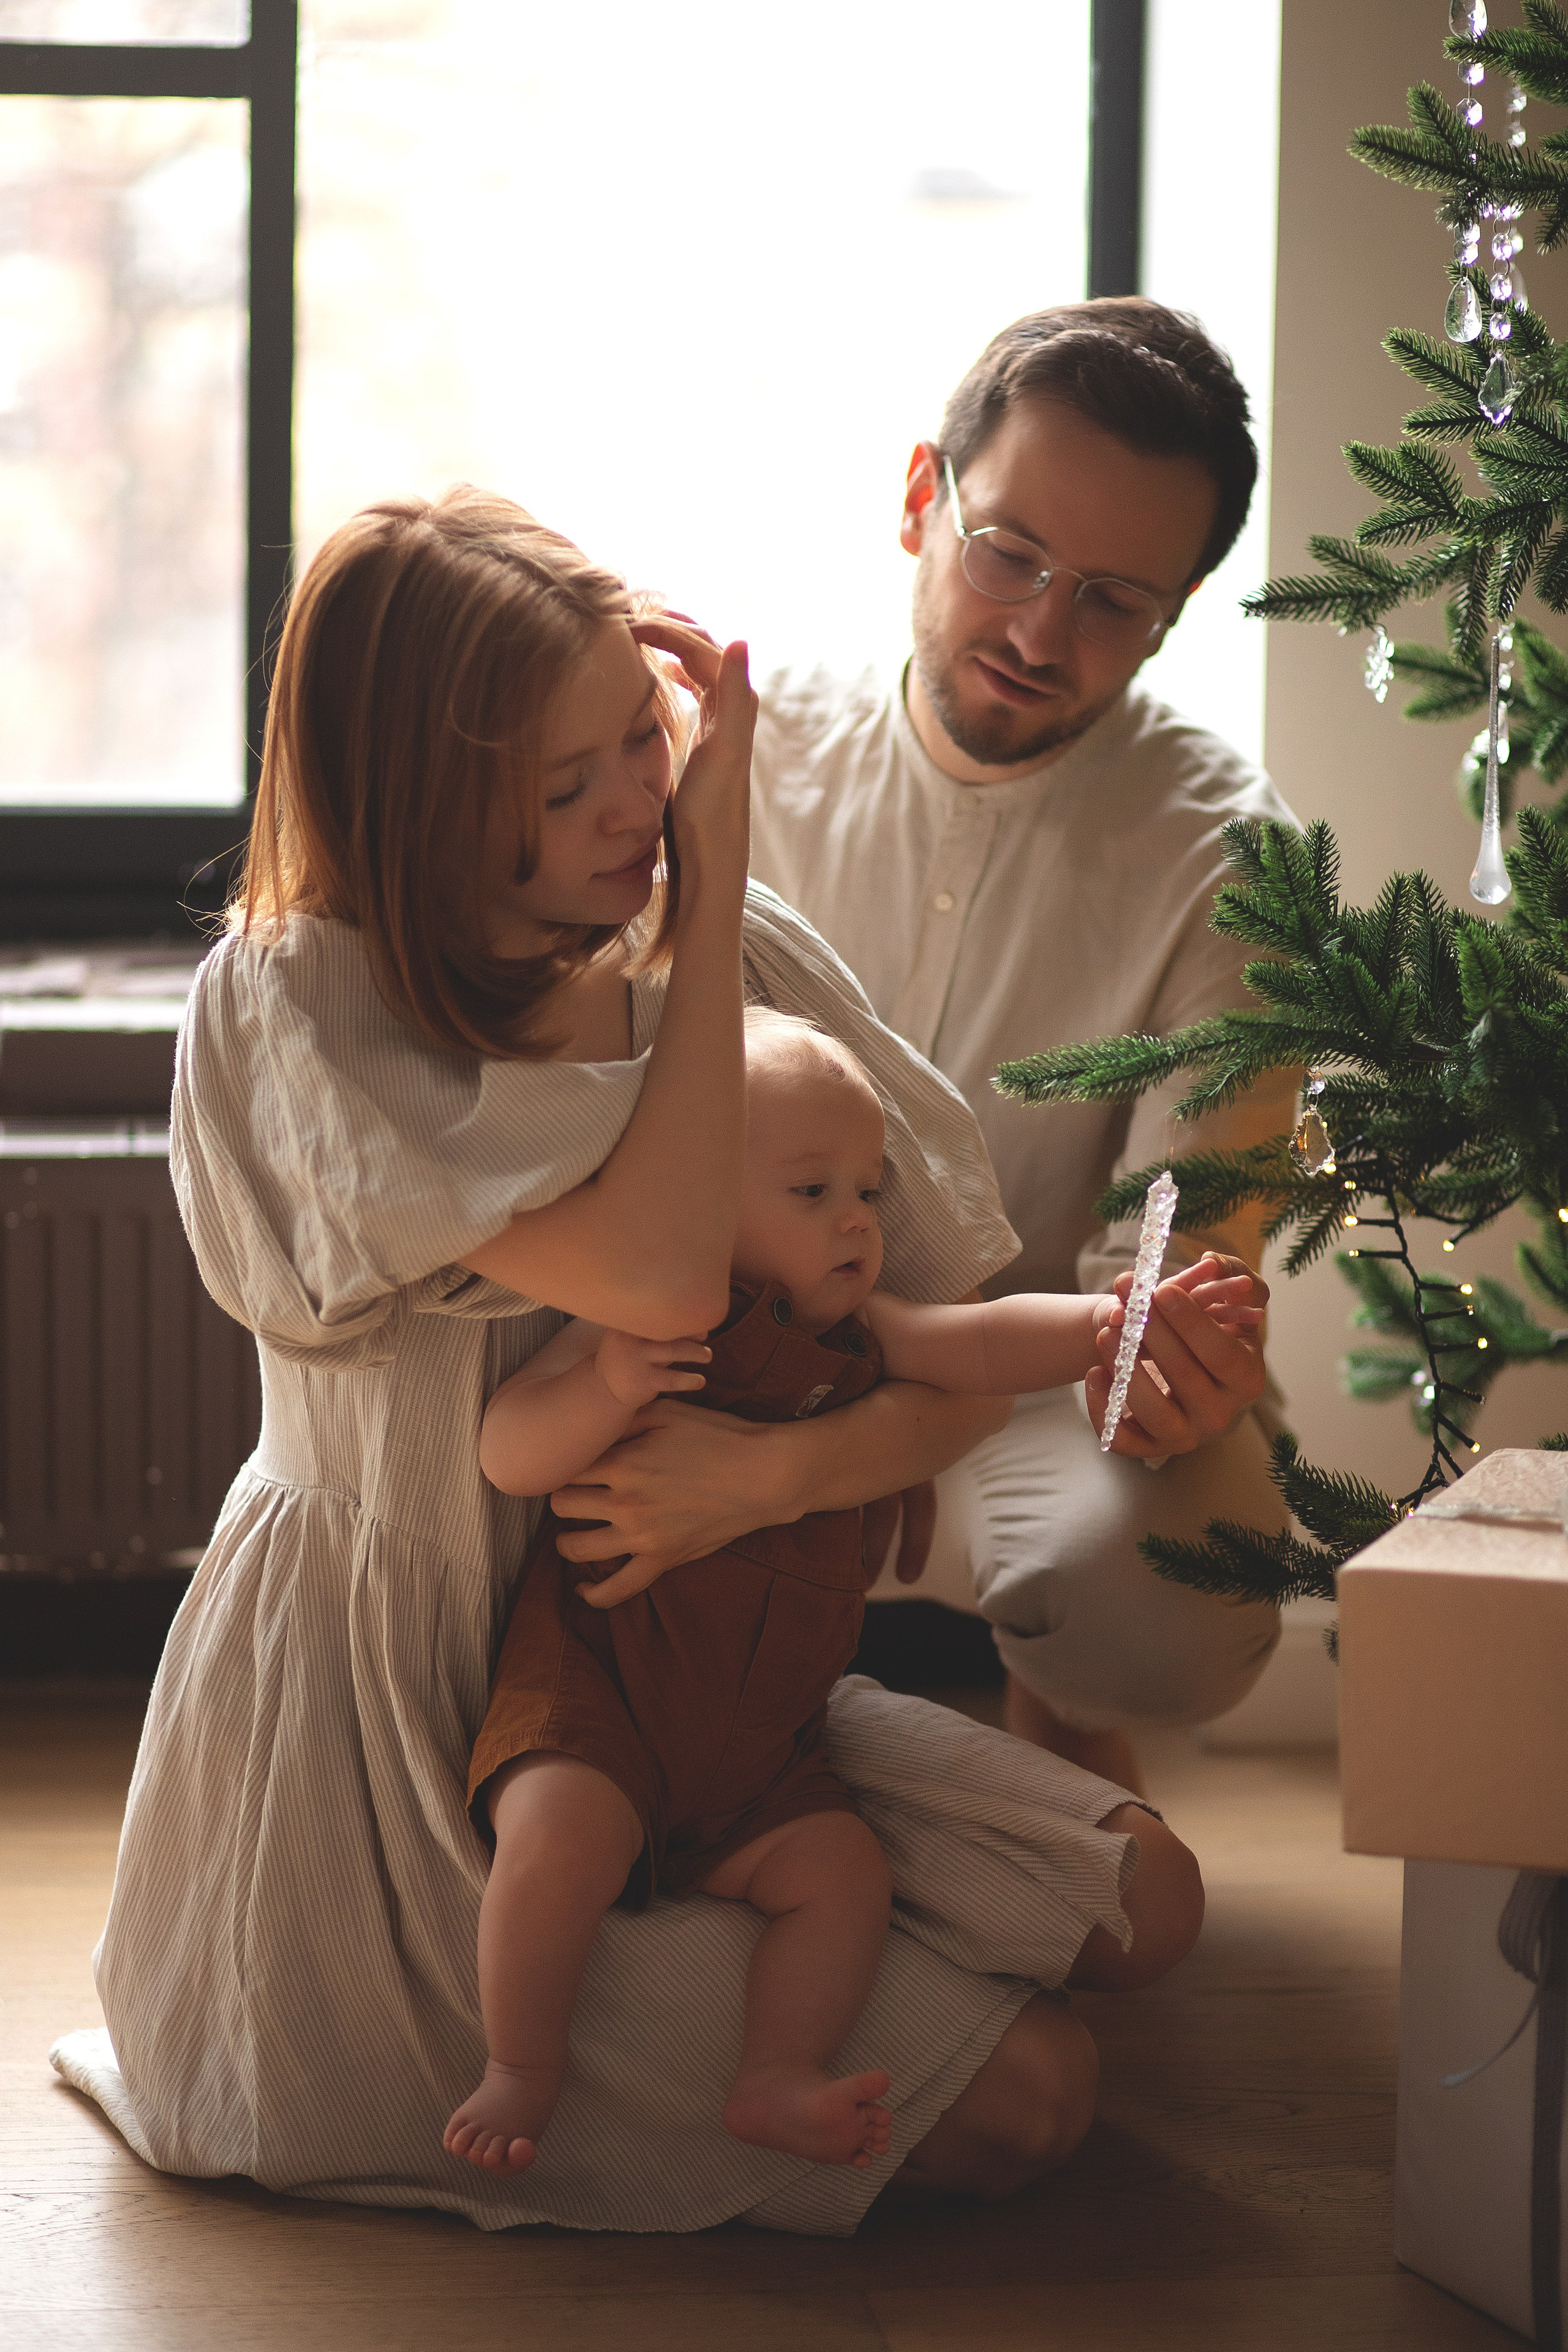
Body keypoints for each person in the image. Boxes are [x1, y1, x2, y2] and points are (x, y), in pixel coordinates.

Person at [83, 486, 1263, 2236]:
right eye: (569, 786)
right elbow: (647, 1269)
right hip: (397, 1694)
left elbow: (931, 1341)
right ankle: (686, 1977)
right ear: (421, 804)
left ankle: (750, 1933)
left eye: (646, 738)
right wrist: (710, 902)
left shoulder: (730, 953)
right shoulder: (296, 1000)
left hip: (689, 1653)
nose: (642, 801)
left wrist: (777, 1475)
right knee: (1035, 2104)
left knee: (1146, 1906)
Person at [445, 1008, 1266, 2180]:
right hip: (600, 1706)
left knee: (841, 1877)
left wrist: (1103, 1322)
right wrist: (608, 1385)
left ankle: (777, 2072)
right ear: (695, 1198)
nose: (855, 1225)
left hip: (764, 1755)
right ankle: (520, 2065)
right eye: (812, 1191)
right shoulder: (643, 1315)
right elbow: (509, 1455)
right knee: (555, 1839)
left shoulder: (859, 1336)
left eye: (868, 1195)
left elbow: (975, 1343)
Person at [747, 297, 1303, 1795]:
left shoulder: (1232, 865)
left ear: (1177, 610)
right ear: (922, 497)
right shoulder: (735, 760)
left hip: (1027, 1389)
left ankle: (1054, 1690)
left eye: (1116, 599)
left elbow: (1161, 1281)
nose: (1040, 634)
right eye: (1011, 555)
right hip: (715, 1358)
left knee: (1168, 1601)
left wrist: (1163, 1349)